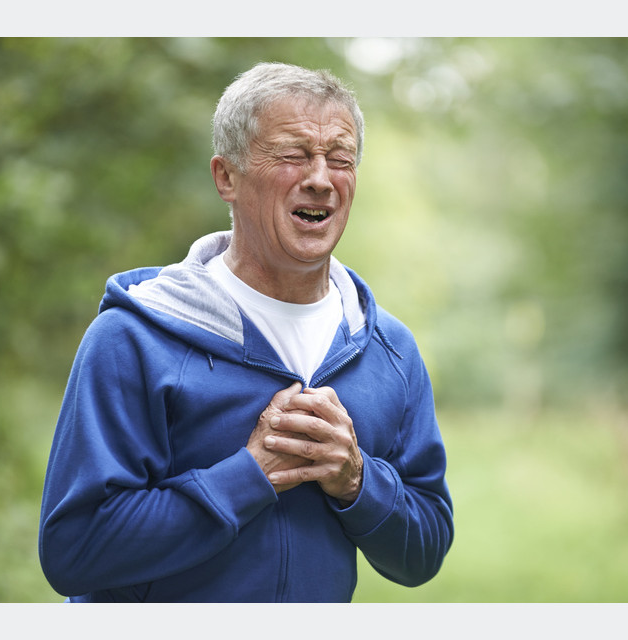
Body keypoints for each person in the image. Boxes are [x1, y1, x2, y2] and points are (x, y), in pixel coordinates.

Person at [38, 61, 454, 603]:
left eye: (340, 159)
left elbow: (424, 553)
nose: (321, 179)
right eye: (293, 154)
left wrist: (357, 480)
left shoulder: (389, 351)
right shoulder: (133, 339)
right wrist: (248, 477)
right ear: (226, 177)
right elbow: (74, 551)